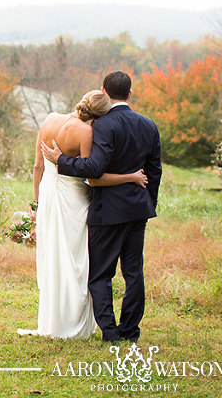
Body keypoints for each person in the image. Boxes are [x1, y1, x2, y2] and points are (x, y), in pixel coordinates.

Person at [41, 71, 162, 342]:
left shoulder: (102, 124)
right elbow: (155, 171)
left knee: (101, 274)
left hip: (107, 211)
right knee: (133, 272)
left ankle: (110, 332)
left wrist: (61, 160)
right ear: (130, 94)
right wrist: (147, 202)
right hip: (137, 210)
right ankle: (130, 331)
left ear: (104, 91)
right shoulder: (149, 125)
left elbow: (94, 169)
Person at [18, 90, 148, 339]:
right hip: (72, 198)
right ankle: (72, 322)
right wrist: (131, 177)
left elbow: (38, 167)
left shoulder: (50, 119)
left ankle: (53, 320)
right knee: (76, 259)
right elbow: (91, 177)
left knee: (53, 257)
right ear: (99, 117)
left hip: (48, 195)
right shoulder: (86, 132)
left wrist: (37, 205)